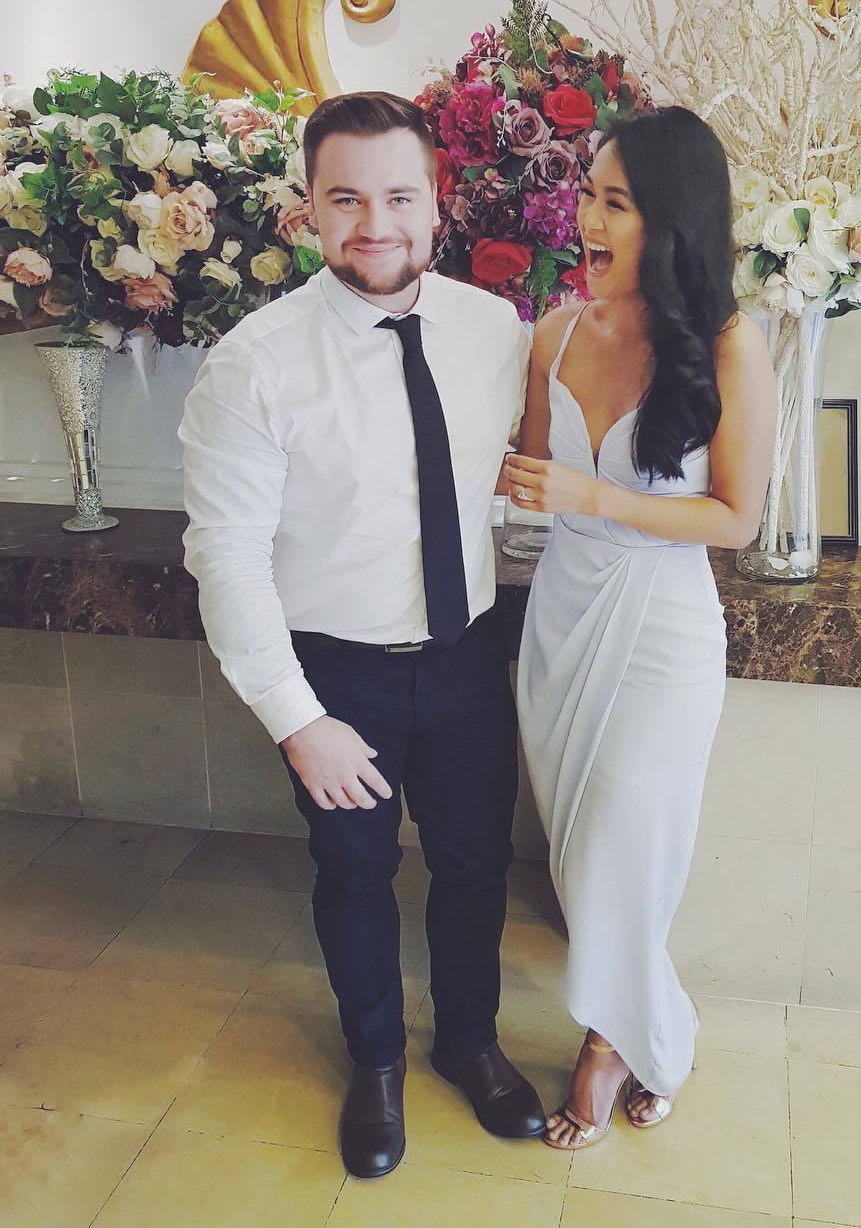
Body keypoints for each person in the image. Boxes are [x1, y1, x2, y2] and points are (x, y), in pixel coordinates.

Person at [179, 91, 545, 1180]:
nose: (373, 224)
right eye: (345, 199)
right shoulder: (254, 363)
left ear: (438, 203)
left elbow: (506, 480)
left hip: (467, 652)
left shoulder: (494, 331)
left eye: (398, 197)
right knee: (354, 872)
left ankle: (469, 1042)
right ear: (308, 207)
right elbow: (226, 556)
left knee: (476, 866)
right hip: (338, 672)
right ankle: (376, 1060)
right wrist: (300, 722)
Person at [505, 106, 776, 1149]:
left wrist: (595, 496)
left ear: (670, 221)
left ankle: (609, 1045)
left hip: (662, 629)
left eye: (615, 202)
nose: (588, 219)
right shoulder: (554, 334)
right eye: (587, 195)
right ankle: (657, 1027)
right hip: (562, 618)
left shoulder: (729, 346)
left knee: (628, 843)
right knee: (582, 857)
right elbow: (531, 479)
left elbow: (736, 520)